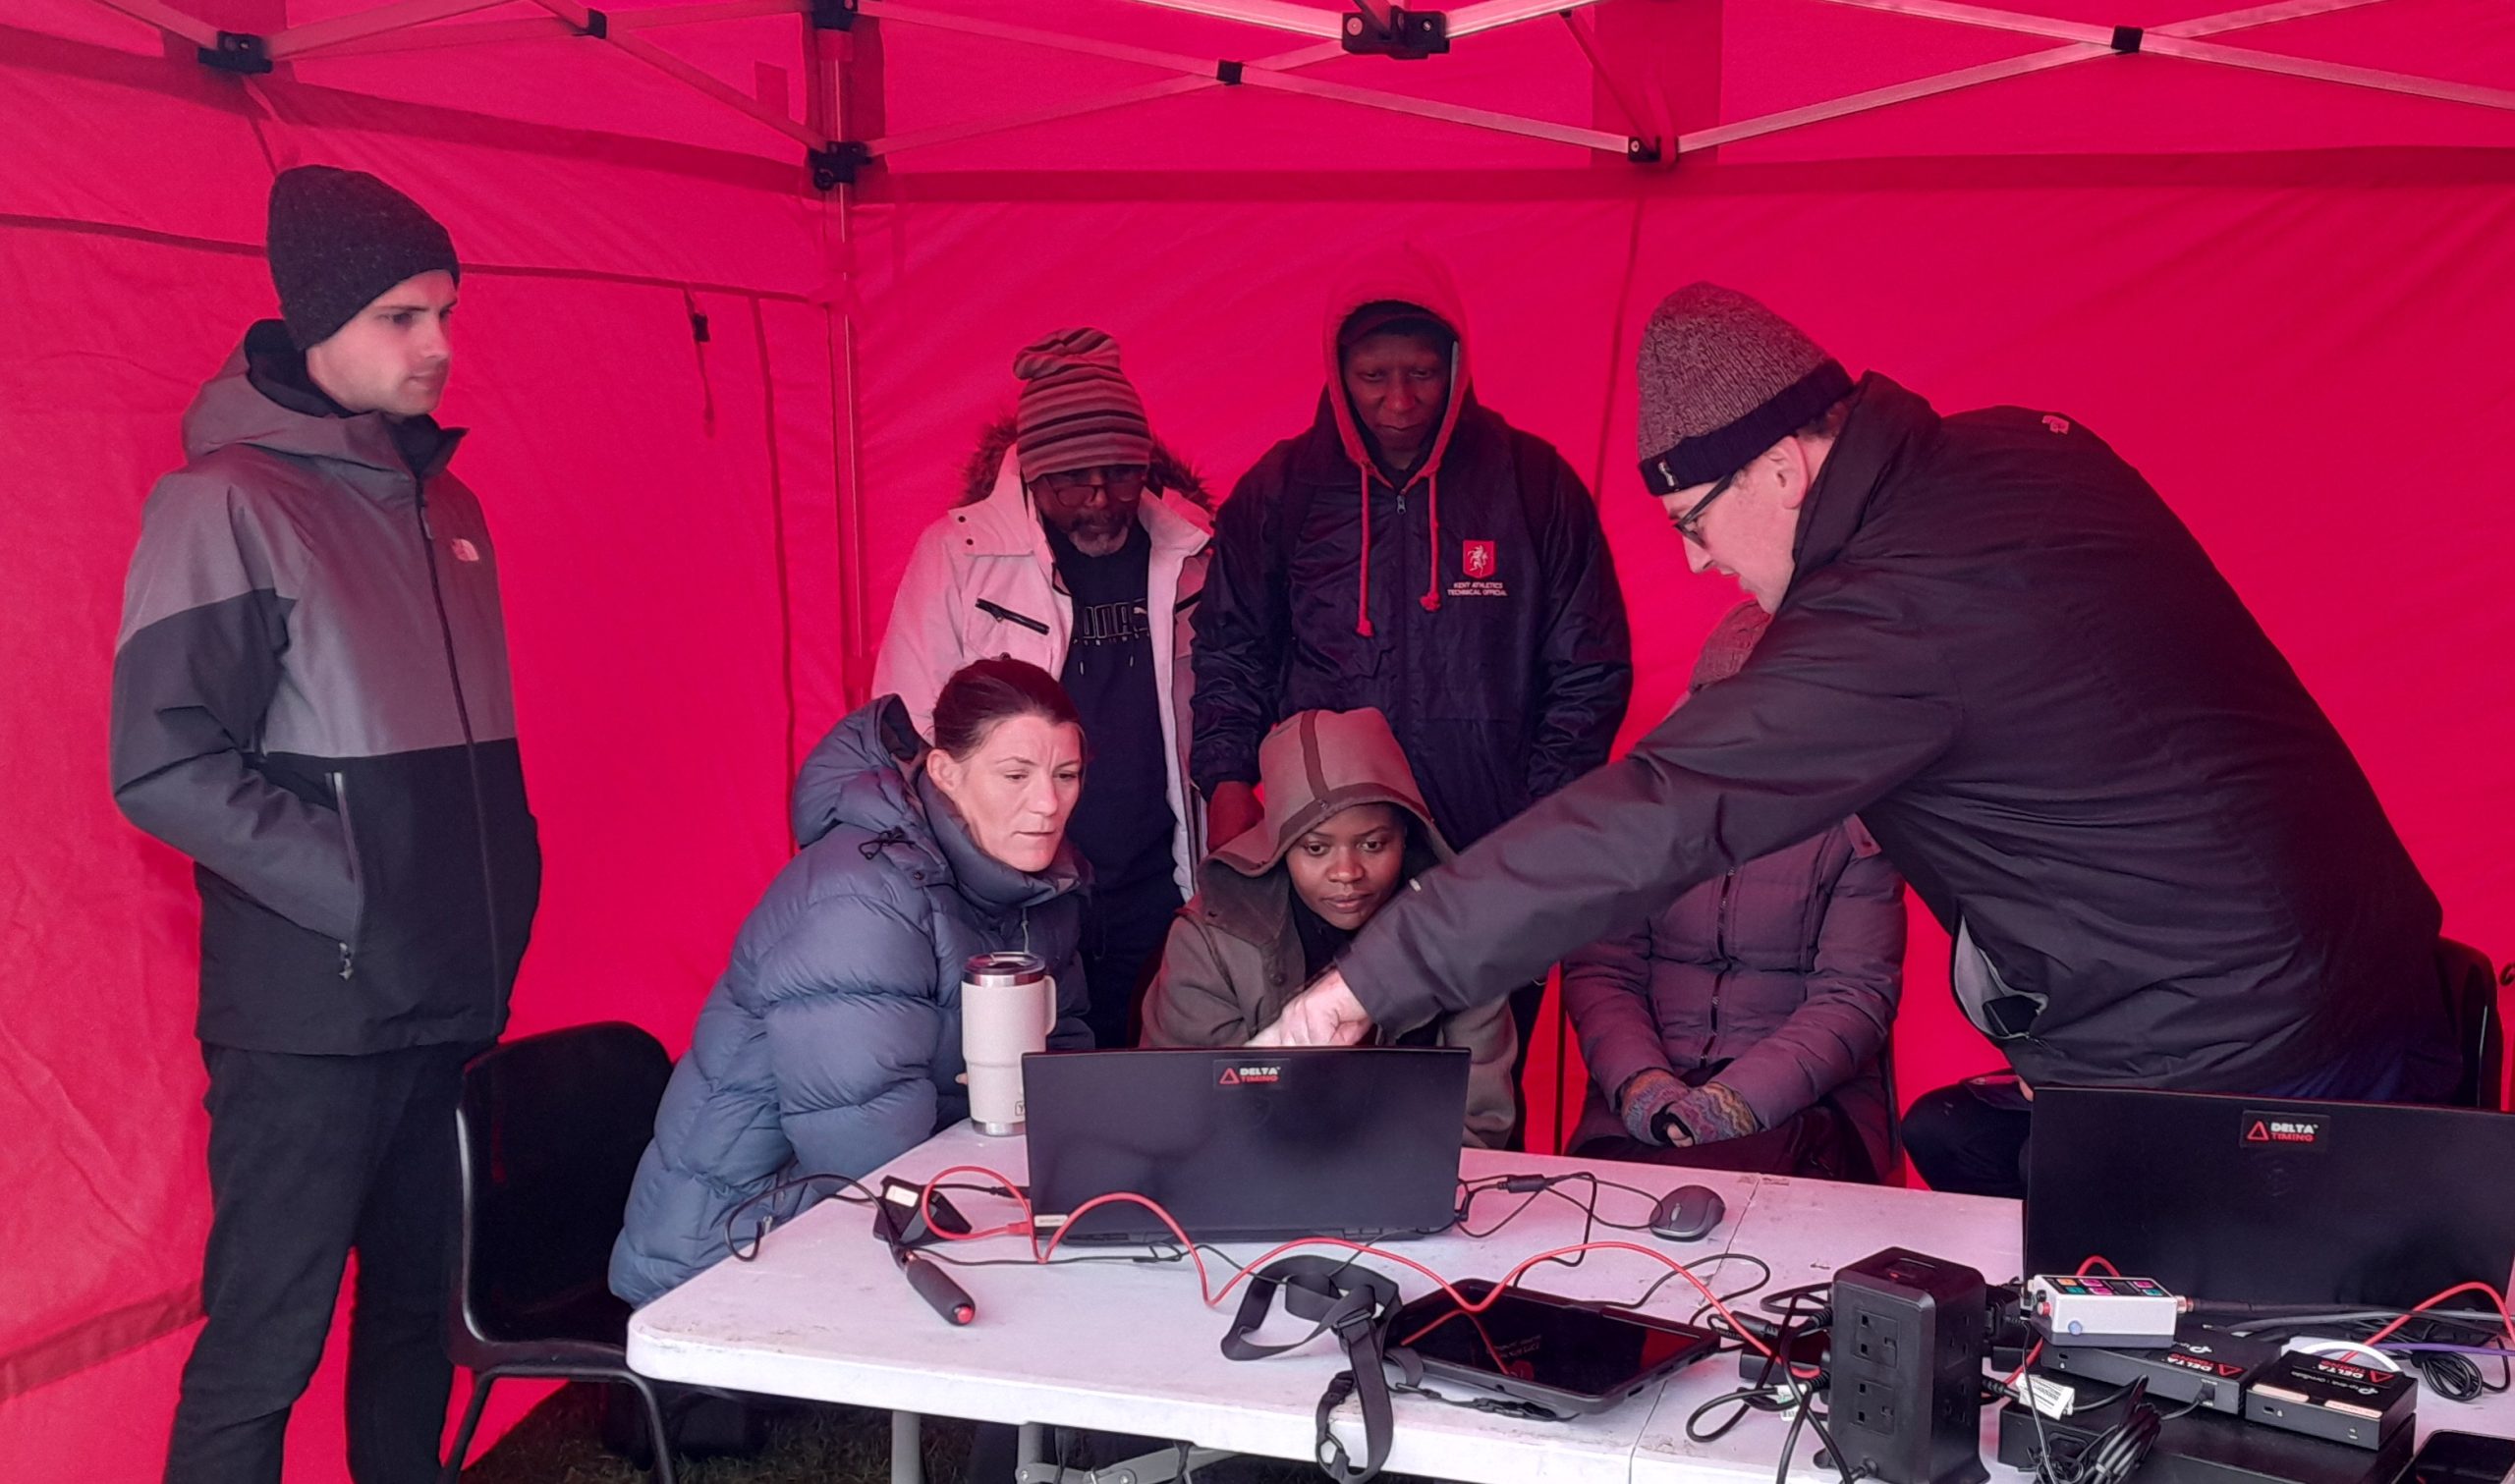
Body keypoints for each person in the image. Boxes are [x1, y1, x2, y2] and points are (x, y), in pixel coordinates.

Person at [1253, 283, 2460, 1200]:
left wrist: (1361, 985)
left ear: (1783, 465)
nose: (1692, 560)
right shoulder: (2026, 449)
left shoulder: (1889, 615)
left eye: (1692, 520)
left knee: (2229, 1418)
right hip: (2377, 977)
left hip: (2234, 1067)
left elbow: (1657, 814)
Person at [110, 167, 541, 1484]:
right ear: (316, 323)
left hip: (447, 1002)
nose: (440, 346)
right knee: (266, 1342)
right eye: (404, 317)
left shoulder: (446, 506)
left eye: (447, 312)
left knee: (420, 1318)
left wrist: (489, 894)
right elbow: (160, 762)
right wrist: (369, 889)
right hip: (309, 1021)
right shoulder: (223, 501)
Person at [1191, 248, 1632, 1108]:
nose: (1400, 401)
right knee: (1317, 1081)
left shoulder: (1532, 484)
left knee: (1473, 1095)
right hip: (1324, 856)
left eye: (1425, 373)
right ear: (1336, 369)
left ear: (1459, 365)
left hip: (1487, 847)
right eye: (1374, 375)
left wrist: (1542, 823)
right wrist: (1227, 783)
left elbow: (1589, 669)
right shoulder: (1281, 492)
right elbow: (1229, 654)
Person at [611, 658, 1091, 1306]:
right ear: (946, 773)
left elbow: (1065, 1076)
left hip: (903, 1206)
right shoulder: (861, 897)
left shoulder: (1040, 886)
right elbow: (867, 1162)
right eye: (1016, 775)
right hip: (727, 1244)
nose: (1048, 802)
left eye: (1067, 775)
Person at [872, 328, 1209, 1052]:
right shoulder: (961, 554)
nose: (1100, 499)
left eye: (1121, 473)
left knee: (1160, 1091)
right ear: (1031, 471)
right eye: (1072, 479)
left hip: (1162, 883)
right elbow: (905, 738)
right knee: (1041, 1095)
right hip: (1021, 895)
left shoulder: (1193, 551)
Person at [1561, 603, 1903, 1182]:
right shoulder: (1641, 818)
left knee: (1738, 1203)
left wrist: (1734, 1102)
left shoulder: (1856, 823)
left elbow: (1854, 996)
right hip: (1646, 1096)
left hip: (1800, 1101)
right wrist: (1641, 1083)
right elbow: (1602, 972)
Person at [1141, 707, 1518, 1147]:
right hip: (1241, 1192)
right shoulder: (1209, 939)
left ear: (1408, 837)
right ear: (1277, 848)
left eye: (1373, 844)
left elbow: (1480, 1121)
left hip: (1409, 1194)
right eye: (1316, 848)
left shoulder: (1460, 938)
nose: (1347, 872)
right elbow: (1186, 1114)